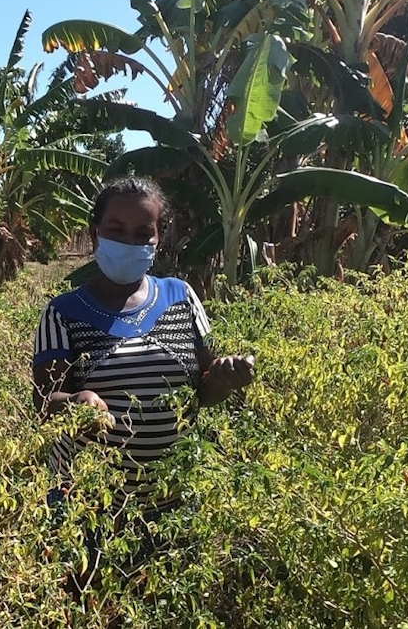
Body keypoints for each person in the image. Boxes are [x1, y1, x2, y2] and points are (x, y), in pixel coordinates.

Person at [33, 176, 254, 580]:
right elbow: (44, 403)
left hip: (173, 503)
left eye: (142, 233)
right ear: (94, 231)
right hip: (89, 505)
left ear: (158, 238)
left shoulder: (180, 296)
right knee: (89, 604)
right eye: (116, 230)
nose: (128, 241)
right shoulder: (63, 312)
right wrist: (77, 400)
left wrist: (224, 379)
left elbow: (202, 387)